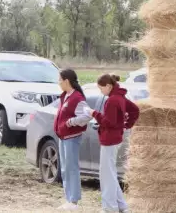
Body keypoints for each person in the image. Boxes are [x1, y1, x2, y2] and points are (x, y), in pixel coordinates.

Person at [92, 74, 139, 213]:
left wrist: (94, 113)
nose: (101, 92)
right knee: (110, 173)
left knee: (107, 175)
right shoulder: (120, 97)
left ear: (108, 86)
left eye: (101, 89)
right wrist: (127, 125)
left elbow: (108, 122)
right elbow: (135, 110)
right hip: (116, 138)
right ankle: (122, 206)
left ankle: (109, 208)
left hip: (109, 140)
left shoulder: (112, 100)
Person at [54, 68, 92, 210]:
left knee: (72, 168)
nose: (58, 83)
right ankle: (68, 198)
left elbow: (87, 116)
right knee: (64, 168)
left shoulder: (77, 98)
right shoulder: (65, 96)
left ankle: (74, 201)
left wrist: (72, 122)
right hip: (63, 137)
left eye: (60, 80)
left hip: (71, 138)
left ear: (66, 81)